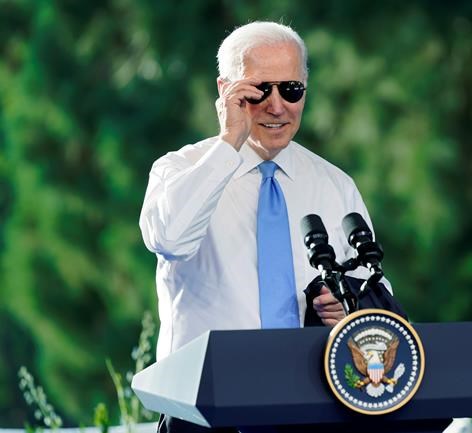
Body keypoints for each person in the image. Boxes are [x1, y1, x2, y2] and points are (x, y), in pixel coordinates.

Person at [139, 21, 390, 433]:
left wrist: (346, 309)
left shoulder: (335, 185)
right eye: (258, 91)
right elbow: (169, 239)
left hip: (315, 407)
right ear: (225, 91)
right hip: (207, 410)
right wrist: (229, 143)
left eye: (291, 90)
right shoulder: (180, 169)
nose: (277, 106)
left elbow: (376, 296)